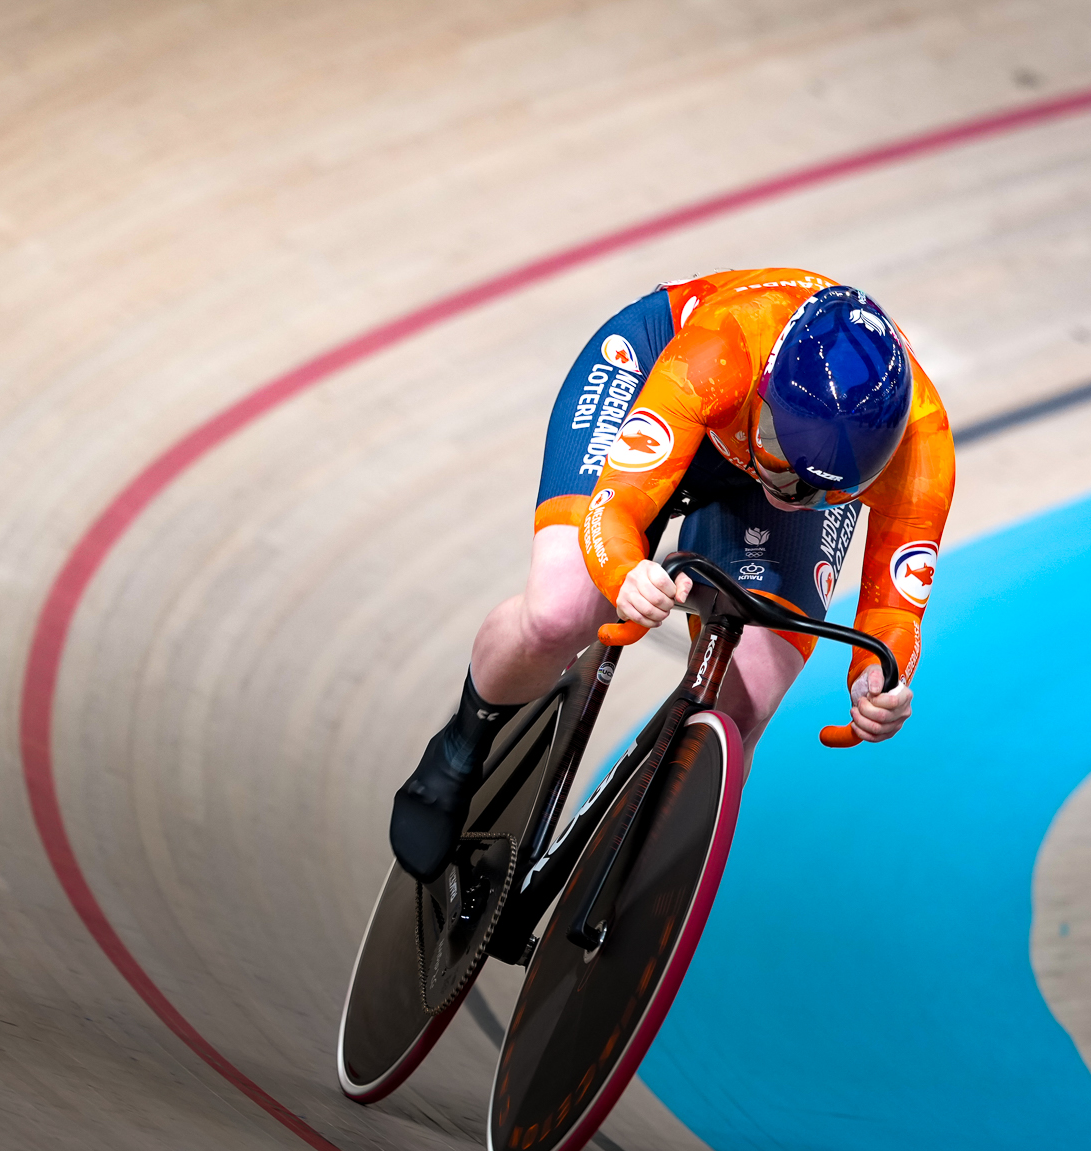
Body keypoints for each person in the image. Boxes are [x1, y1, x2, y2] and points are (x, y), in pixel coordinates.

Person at [390, 268, 955, 882]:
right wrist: (624, 571)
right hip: (658, 379)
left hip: (762, 437)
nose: (791, 495)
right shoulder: (723, 349)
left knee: (746, 701)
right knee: (562, 610)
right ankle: (459, 749)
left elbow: (895, 612)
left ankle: (650, 891)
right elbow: (620, 505)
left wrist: (879, 682)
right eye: (780, 460)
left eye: (822, 492)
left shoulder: (923, 449)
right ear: (765, 393)